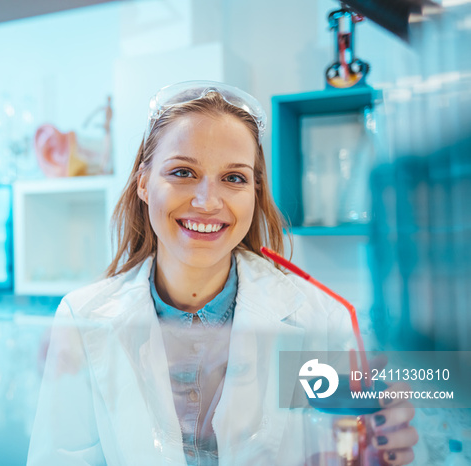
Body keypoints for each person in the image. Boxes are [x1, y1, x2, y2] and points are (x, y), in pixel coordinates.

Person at [27, 81, 418, 465]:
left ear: (253, 193)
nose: (207, 201)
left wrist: (381, 451)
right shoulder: (82, 320)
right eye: (182, 172)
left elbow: (347, 446)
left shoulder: (319, 320)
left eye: (233, 178)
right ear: (144, 182)